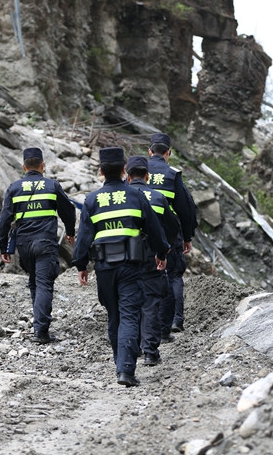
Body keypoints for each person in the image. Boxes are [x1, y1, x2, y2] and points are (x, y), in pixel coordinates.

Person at [72, 147, 170, 387]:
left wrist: (81, 265)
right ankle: (125, 370)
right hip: (131, 265)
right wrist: (161, 253)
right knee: (129, 315)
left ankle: (121, 363)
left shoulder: (92, 200)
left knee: (114, 315)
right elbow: (154, 229)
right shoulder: (136, 196)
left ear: (101, 172)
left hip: (105, 267)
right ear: (124, 170)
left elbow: (84, 237)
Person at [0, 147, 76, 344]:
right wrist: (70, 232)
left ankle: (39, 324)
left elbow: (4, 220)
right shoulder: (52, 186)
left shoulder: (14, 188)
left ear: (24, 167)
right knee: (43, 283)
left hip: (24, 244)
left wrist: (3, 247)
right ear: (43, 166)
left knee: (35, 282)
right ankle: (41, 331)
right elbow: (68, 211)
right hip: (45, 243)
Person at [125, 155, 180, 366]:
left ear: (127, 177)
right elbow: (172, 227)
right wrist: (164, 251)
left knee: (128, 303)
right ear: (147, 176)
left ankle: (132, 348)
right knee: (150, 303)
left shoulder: (120, 197)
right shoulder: (158, 197)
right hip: (150, 255)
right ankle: (150, 352)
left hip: (124, 256)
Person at [147, 133, 198, 337]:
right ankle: (175, 319)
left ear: (150, 152)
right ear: (168, 152)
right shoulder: (172, 174)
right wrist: (187, 236)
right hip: (168, 232)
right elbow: (186, 208)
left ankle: (145, 321)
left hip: (139, 233)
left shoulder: (136, 172)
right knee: (174, 274)